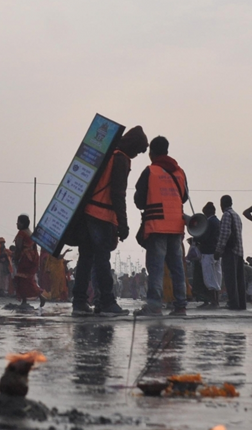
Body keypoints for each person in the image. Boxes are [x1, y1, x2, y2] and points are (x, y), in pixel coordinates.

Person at [69, 125, 147, 317]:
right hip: (102, 216)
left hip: (87, 213)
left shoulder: (108, 155)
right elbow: (118, 193)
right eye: (137, 150)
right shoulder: (121, 159)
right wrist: (123, 223)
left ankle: (79, 302)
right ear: (132, 145)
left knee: (86, 259)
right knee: (102, 260)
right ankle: (107, 302)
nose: (136, 155)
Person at [133, 135, 189, 317]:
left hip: (157, 226)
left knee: (156, 268)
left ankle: (154, 306)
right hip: (176, 226)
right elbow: (184, 197)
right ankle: (180, 305)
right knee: (177, 268)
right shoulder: (180, 172)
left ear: (152, 153)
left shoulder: (150, 171)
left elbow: (139, 201)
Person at [214, 195, 246, 310]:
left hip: (230, 251)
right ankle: (242, 304)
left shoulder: (226, 215)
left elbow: (224, 234)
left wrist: (218, 250)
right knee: (240, 280)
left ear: (222, 204)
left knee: (230, 279)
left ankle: (233, 303)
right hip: (239, 251)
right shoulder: (236, 215)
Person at [11, 215, 45, 309]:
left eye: (18, 222)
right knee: (28, 279)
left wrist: (16, 258)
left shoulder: (21, 233)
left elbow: (18, 248)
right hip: (33, 258)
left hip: (25, 258)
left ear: (22, 223)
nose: (17, 224)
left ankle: (26, 300)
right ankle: (38, 297)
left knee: (22, 279)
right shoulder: (30, 233)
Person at [194, 201, 222, 310]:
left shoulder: (209, 223)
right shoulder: (217, 222)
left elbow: (204, 237)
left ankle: (213, 302)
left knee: (209, 277)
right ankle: (216, 301)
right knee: (216, 277)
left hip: (208, 252)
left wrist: (195, 239)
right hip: (216, 252)